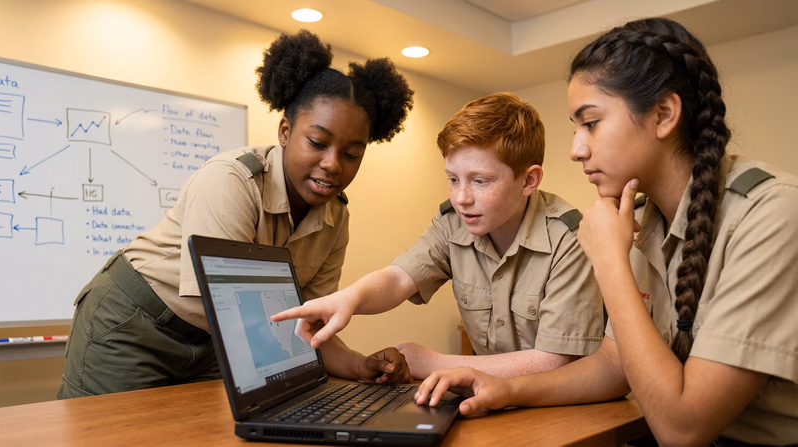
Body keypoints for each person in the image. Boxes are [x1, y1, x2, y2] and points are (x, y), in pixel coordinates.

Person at [413, 18, 798, 446]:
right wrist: (504, 388)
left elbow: (684, 428)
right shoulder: (643, 218)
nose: (576, 149)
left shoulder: (772, 212)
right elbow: (614, 365)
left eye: (591, 123)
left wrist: (610, 262)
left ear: (663, 115)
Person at [58, 29, 415, 399]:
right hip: (136, 322)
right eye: (317, 143)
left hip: (216, 342)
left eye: (352, 154)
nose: (332, 164)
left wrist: (360, 365)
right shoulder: (232, 181)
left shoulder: (336, 219)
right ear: (285, 130)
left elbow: (306, 326)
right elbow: (234, 319)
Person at [272, 92, 605, 379]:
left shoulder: (569, 238)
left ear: (529, 180)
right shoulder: (454, 221)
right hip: (494, 403)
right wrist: (348, 300)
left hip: (566, 411)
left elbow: (558, 361)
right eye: (454, 179)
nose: (462, 198)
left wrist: (433, 363)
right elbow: (399, 278)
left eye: (480, 181)